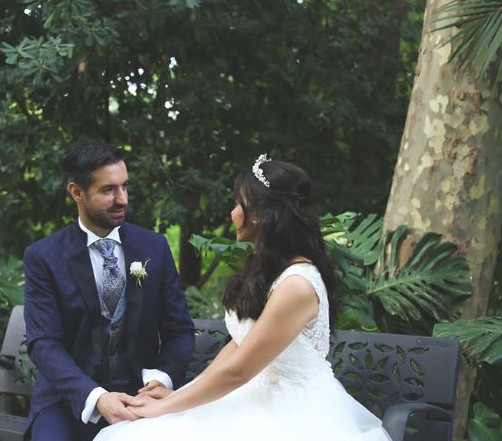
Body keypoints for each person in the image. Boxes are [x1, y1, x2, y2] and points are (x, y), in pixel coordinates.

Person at [95, 154, 392, 441]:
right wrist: (181, 396)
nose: (232, 212)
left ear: (260, 214)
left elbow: (239, 371)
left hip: (288, 410)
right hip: (249, 393)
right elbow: (239, 345)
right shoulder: (270, 269)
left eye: (238, 204)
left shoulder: (298, 285)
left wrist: (164, 407)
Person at [23, 142, 195, 440]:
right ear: (76, 192)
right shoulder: (44, 257)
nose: (122, 199)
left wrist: (161, 378)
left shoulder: (153, 247)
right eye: (108, 190)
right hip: (69, 399)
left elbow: (179, 329)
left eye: (125, 187)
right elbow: (43, 343)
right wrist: (96, 397)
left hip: (141, 398)